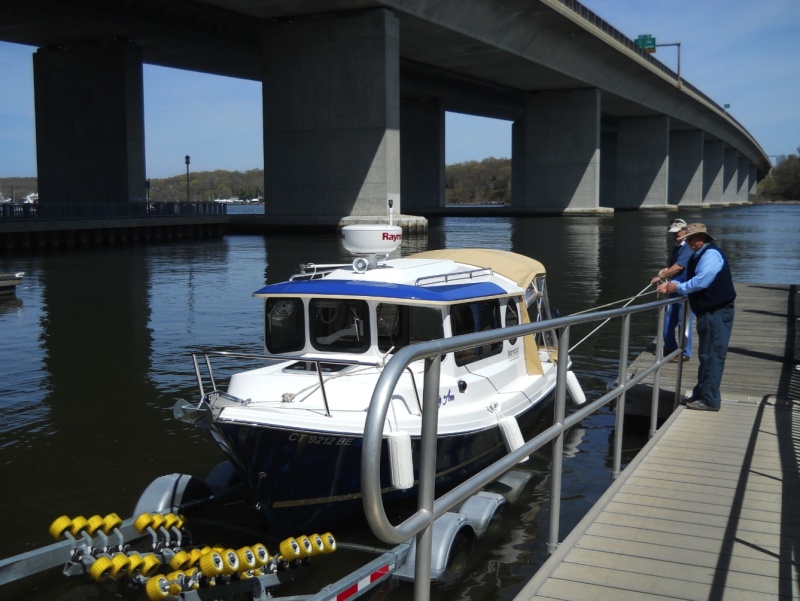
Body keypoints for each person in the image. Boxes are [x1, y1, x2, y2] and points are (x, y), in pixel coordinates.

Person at [657, 223, 736, 411]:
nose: (689, 242)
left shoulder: (711, 255)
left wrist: (676, 287)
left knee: (713, 356)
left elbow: (701, 281)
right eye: (688, 239)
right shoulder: (699, 254)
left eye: (693, 238)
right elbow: (690, 279)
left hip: (716, 312)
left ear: (703, 238)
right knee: (706, 355)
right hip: (707, 313)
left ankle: (710, 400)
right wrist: (673, 284)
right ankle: (701, 393)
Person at [651, 218, 693, 362]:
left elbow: (680, 267)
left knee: (684, 321)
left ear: (684, 230)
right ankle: (670, 347)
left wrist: (662, 276)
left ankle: (685, 352)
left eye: (677, 232)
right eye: (673, 233)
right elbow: (674, 266)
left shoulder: (688, 246)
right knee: (668, 317)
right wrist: (665, 272)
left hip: (686, 288)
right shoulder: (678, 246)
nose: (674, 235)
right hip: (673, 286)